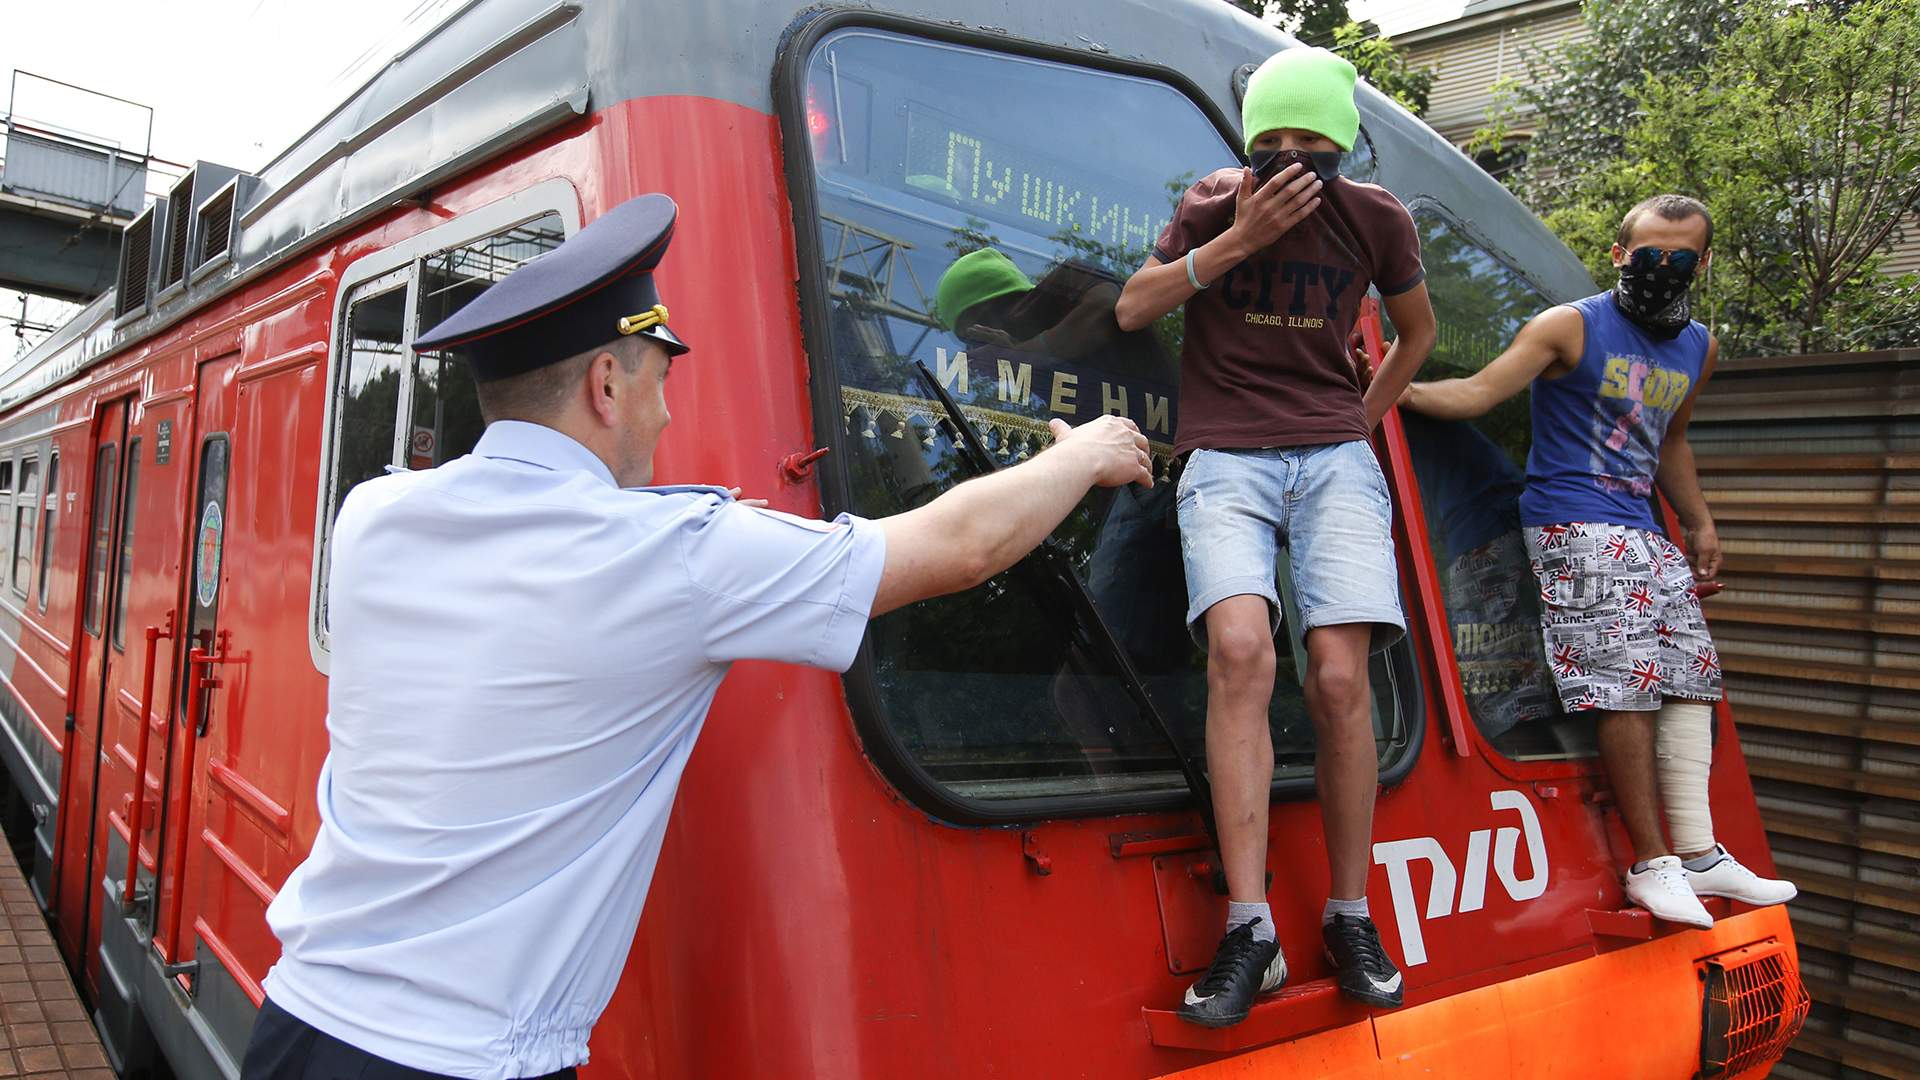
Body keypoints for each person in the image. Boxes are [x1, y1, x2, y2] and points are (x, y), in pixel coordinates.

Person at [241, 194, 1153, 1079]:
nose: (669, 414)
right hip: (460, 1065)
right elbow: (957, 547)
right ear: (607, 383)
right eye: (660, 378)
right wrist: (1082, 453)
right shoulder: (673, 557)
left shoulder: (376, 515)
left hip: (298, 1020)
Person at [1114, 46, 1437, 1026]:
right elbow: (1135, 304)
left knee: (1340, 675)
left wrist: (1362, 417)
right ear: (1251, 145)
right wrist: (1234, 242)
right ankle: (1250, 927)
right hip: (1226, 452)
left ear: (1340, 144)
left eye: (1313, 141)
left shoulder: (1375, 217)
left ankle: (1349, 913)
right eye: (1274, 141)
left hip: (1333, 453)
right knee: (1241, 651)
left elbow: (1417, 333)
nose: (1293, 157)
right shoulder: (1215, 201)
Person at [1400, 193, 1795, 929]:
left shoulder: (1697, 347)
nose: (1663, 269)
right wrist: (1396, 384)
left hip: (1645, 527)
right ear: (1621, 255)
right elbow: (1481, 391)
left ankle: (1702, 854)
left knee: (1689, 681)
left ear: (1701, 264)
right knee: (1624, 686)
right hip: (1574, 522)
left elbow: (1669, 441)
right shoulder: (1570, 327)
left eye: (1680, 259)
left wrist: (1700, 522)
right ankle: (1653, 866)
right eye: (1650, 256)